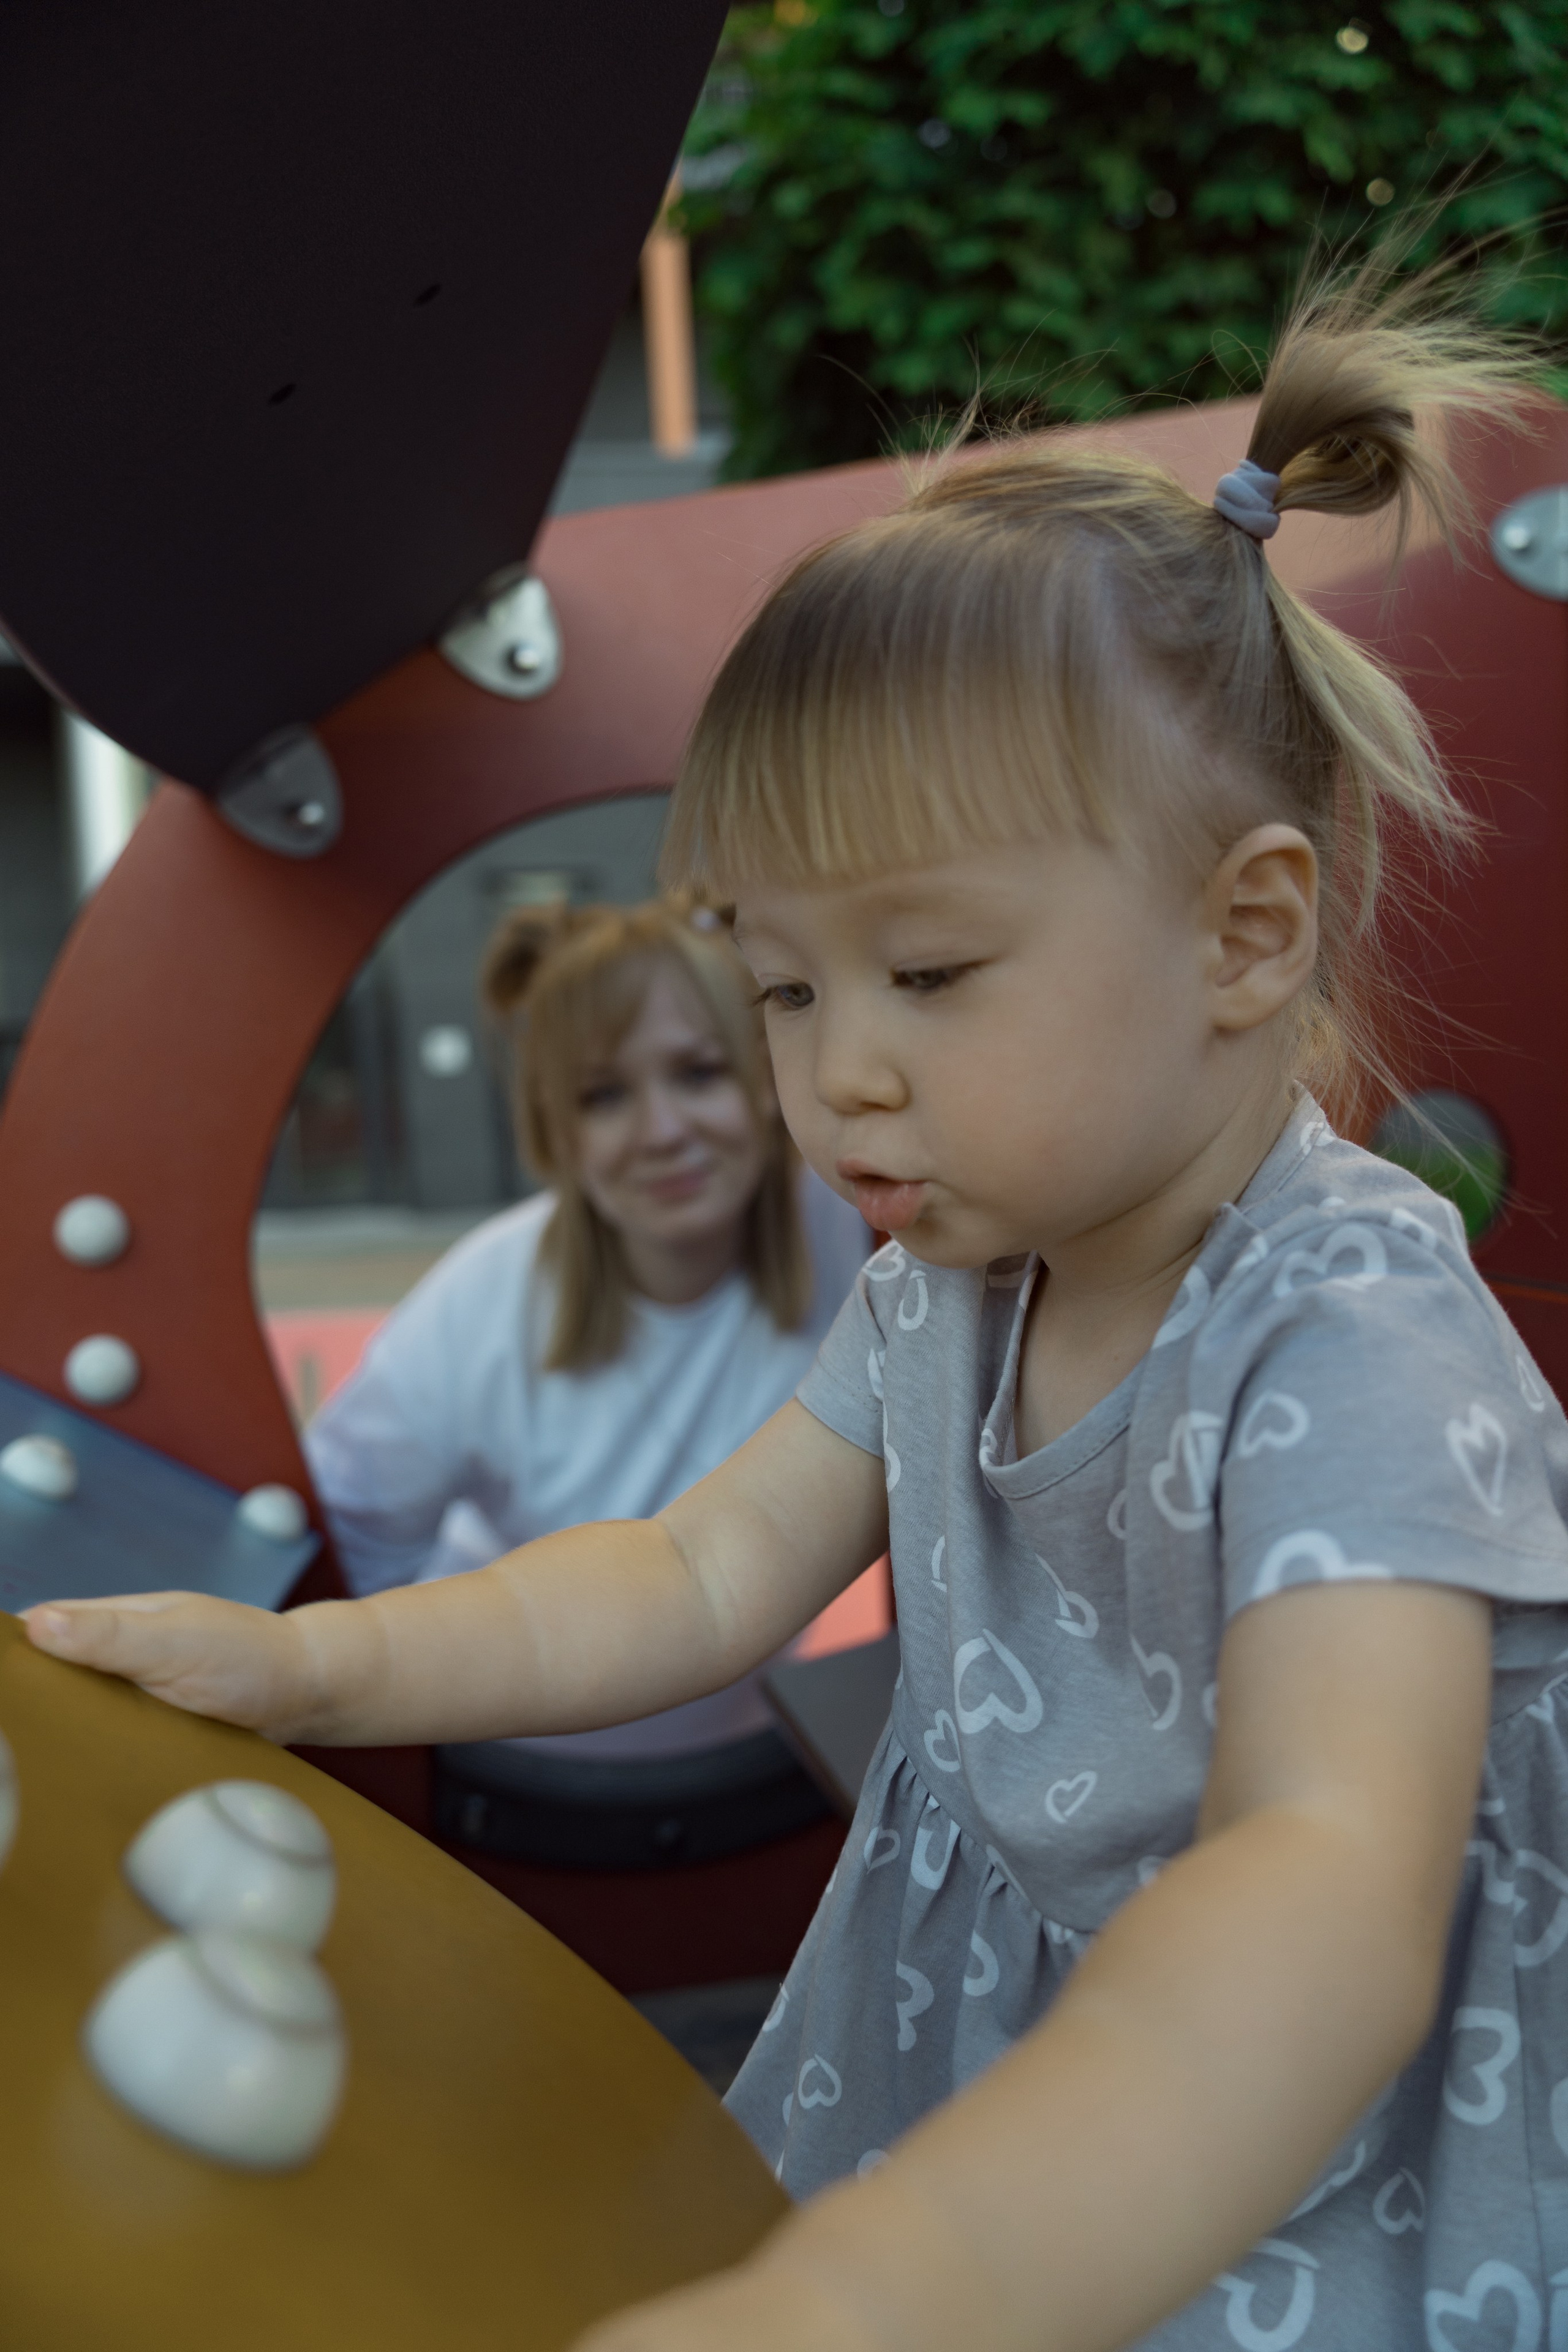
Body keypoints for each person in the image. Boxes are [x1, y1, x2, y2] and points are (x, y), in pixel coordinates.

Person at [26, 261, 1568, 2352]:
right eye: (780, 985)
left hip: (1288, 2120)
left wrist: (900, 2280)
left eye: (929, 975)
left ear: (1245, 933)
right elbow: (689, 1572)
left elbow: (1323, 1887)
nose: (835, 1072)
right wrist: (316, 1674)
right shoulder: (954, 1274)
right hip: (991, 2013)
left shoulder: (1348, 1339)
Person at [304, 894, 874, 1759]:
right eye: (605, 1097)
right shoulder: (484, 1304)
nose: (662, 1132)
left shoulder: (854, 1243)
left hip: (725, 1775)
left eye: (698, 1073)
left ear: (766, 1081)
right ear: (558, 1134)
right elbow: (344, 1545)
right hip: (501, 1764)